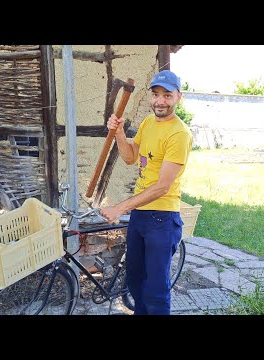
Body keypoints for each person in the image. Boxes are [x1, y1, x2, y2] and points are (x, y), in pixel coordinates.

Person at [100, 69, 193, 315]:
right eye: (156, 94)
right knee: (134, 280)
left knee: (155, 290)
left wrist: (119, 207)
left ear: (178, 97)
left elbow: (163, 186)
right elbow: (130, 157)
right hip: (140, 216)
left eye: (167, 95)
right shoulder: (148, 122)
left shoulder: (179, 134)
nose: (160, 101)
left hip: (162, 218)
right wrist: (120, 133)